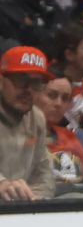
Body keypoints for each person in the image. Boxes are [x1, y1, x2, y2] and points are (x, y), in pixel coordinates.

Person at [0, 45, 55, 201]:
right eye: (20, 80)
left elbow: (44, 175)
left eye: (36, 83)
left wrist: (33, 201)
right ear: (1, 80)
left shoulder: (37, 119)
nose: (28, 90)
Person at [35, 73, 83, 195]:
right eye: (51, 95)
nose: (58, 104)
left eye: (65, 98)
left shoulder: (69, 137)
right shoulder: (17, 135)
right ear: (35, 94)